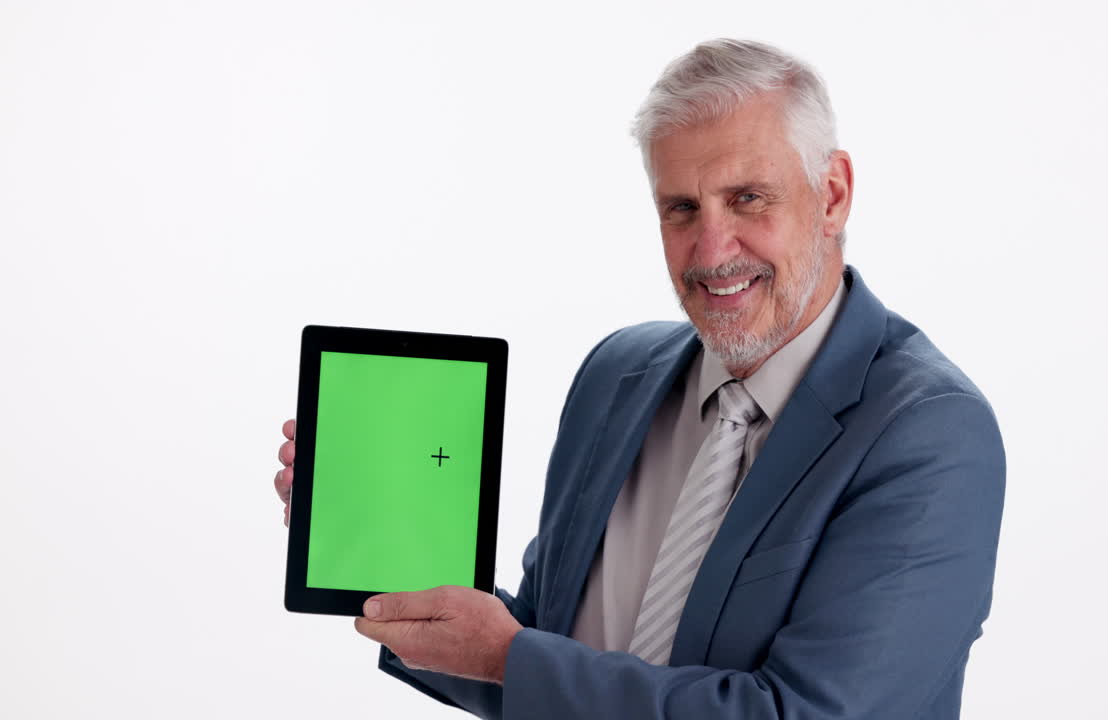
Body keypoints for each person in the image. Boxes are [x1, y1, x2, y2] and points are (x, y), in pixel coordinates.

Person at [273, 38, 1005, 719]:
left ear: (833, 194)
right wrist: (375, 537)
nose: (711, 251)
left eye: (748, 198)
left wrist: (508, 658)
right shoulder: (616, 375)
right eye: (681, 208)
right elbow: (549, 660)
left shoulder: (930, 434)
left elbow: (799, 713)